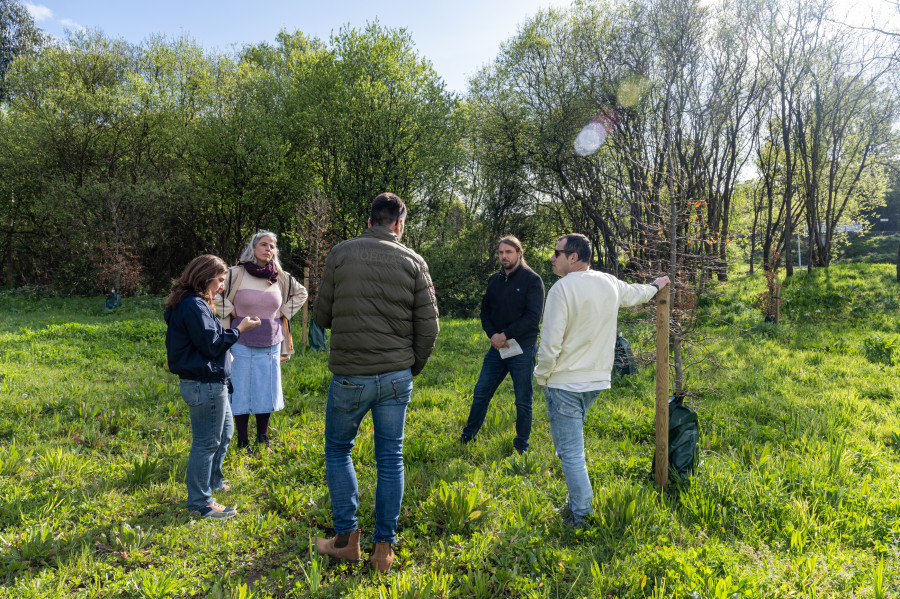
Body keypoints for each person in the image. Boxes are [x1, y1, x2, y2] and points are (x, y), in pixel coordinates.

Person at [312, 192, 439, 573]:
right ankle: (383, 549)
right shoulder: (414, 261)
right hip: (396, 376)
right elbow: (429, 327)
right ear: (399, 224)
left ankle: (346, 540)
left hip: (351, 374)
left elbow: (322, 314)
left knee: (338, 450)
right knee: (390, 458)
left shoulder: (341, 253)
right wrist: (409, 367)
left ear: (369, 221)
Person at [534, 234, 669, 527]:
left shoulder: (561, 289)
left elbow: (550, 342)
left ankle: (581, 514)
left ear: (573, 257)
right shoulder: (608, 282)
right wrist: (656, 286)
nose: (552, 258)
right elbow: (636, 293)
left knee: (570, 452)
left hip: (565, 382)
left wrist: (541, 375)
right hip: (595, 381)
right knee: (570, 447)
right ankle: (576, 502)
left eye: (556, 253)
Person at [164, 255, 261, 519]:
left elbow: (206, 341)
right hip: (204, 384)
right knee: (206, 443)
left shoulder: (192, 303)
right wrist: (240, 329)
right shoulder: (193, 305)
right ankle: (200, 503)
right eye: (219, 281)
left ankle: (213, 481)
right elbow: (212, 345)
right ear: (205, 277)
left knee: (226, 432)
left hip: (210, 381)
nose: (221, 287)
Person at [215, 231, 308, 452]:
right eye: (264, 245)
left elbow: (302, 293)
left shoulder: (280, 276)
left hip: (271, 341)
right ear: (253, 248)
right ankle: (242, 439)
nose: (269, 249)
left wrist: (283, 311)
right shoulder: (235, 273)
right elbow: (213, 293)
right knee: (240, 389)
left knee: (265, 389)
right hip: (240, 340)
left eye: (273, 246)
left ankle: (263, 438)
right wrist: (230, 309)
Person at [457, 235, 545, 454]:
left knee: (523, 400)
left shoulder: (532, 280)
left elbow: (533, 318)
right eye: (500, 252)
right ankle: (468, 436)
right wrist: (493, 335)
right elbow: (485, 312)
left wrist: (506, 334)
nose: (504, 256)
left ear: (519, 253)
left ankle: (521, 446)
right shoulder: (494, 280)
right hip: (497, 348)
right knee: (481, 392)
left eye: (508, 252)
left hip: (522, 348)